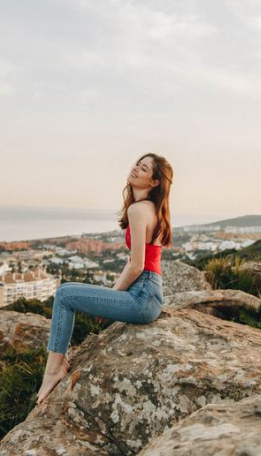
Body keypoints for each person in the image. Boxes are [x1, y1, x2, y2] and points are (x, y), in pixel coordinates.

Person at [36, 152, 173, 405]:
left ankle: (54, 368)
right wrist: (113, 294)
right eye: (137, 164)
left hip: (142, 296)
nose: (135, 169)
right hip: (149, 293)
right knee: (67, 291)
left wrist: (117, 295)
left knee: (65, 295)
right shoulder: (152, 209)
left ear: (154, 182)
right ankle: (56, 364)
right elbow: (132, 263)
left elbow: (137, 266)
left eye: (143, 169)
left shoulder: (138, 210)